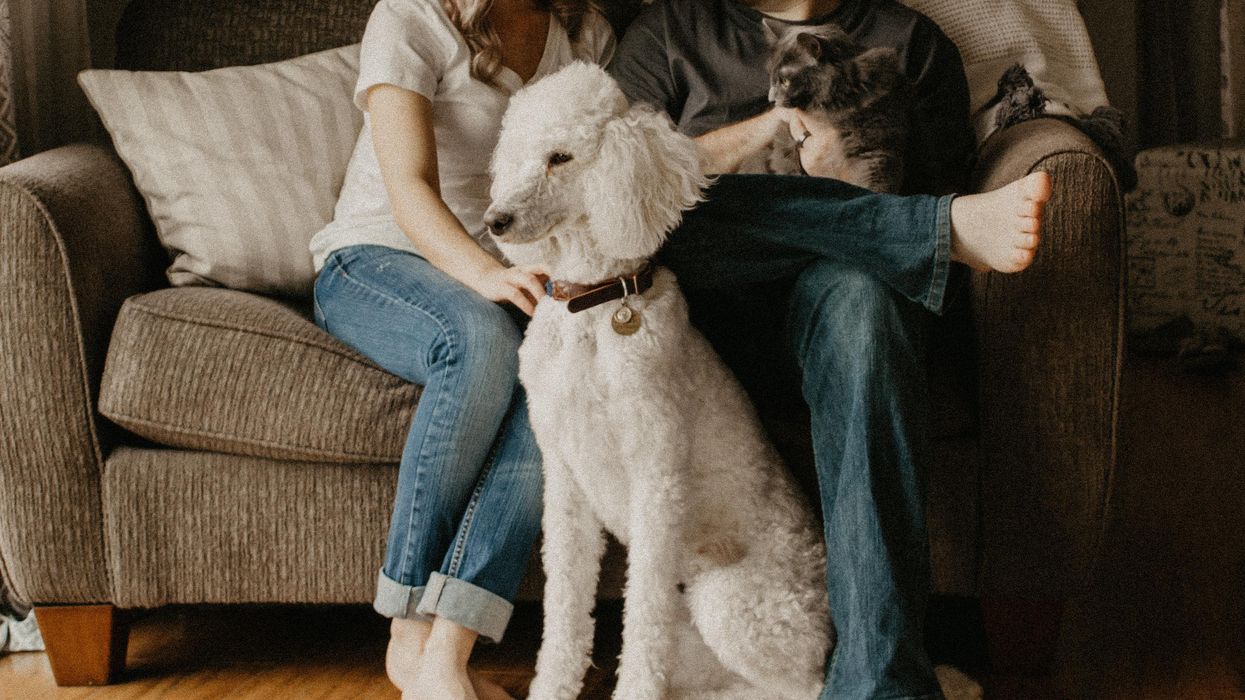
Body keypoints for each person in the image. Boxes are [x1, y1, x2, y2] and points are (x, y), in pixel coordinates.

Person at [608, 0, 1052, 698]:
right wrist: (766, 132)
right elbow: (613, 195)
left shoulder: (907, 41)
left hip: (836, 308)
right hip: (703, 313)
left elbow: (935, 190)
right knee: (657, 203)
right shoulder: (669, 33)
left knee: (868, 302)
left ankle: (881, 684)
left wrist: (846, 181)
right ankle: (925, 229)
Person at [308, 1, 615, 698]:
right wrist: (485, 275)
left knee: (560, 379)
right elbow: (407, 185)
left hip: (513, 269)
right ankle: (408, 629)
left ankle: (447, 654)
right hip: (376, 258)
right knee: (477, 340)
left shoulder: (586, 31)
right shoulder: (410, 16)